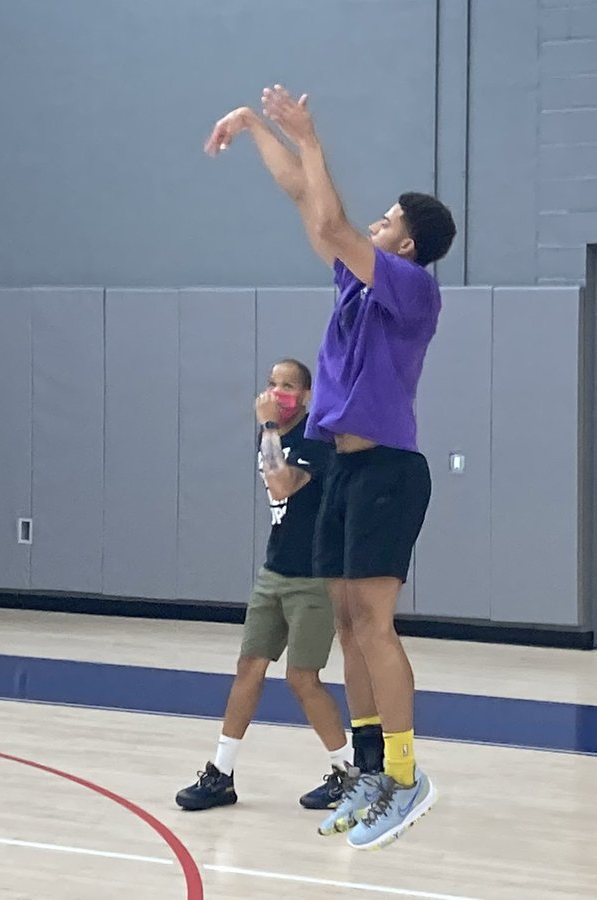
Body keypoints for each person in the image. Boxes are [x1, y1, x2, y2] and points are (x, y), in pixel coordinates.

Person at [203, 85, 456, 850]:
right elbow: (306, 201)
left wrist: (309, 134)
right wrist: (254, 128)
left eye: (388, 222)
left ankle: (409, 777)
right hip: (344, 473)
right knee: (347, 625)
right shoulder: (357, 281)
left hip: (387, 469)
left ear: (405, 244)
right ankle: (374, 769)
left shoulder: (410, 286)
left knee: (374, 626)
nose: (372, 227)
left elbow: (330, 218)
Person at [175, 359, 349, 813]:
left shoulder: (316, 436)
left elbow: (282, 485)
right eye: (272, 384)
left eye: (288, 386)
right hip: (275, 570)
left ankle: (347, 772)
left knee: (302, 678)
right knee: (249, 666)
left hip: (313, 576)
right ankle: (221, 773)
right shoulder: (271, 434)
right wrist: (270, 429)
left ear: (307, 396)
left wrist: (269, 424)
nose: (277, 392)